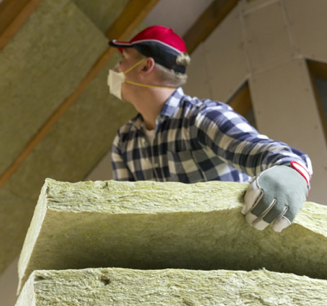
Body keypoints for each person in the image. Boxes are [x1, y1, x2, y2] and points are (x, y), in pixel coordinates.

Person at [107, 25, 312, 232]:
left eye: (123, 60)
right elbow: (127, 214)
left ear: (145, 67)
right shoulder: (124, 141)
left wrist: (291, 173)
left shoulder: (201, 118)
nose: (117, 69)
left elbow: (270, 153)